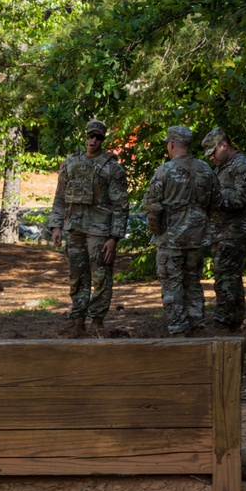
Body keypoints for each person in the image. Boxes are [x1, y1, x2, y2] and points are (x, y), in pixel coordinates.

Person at [49, 120, 129, 338]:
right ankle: (77, 320)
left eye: (98, 137)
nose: (93, 141)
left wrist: (115, 237)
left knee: (101, 276)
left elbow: (121, 205)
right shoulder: (71, 163)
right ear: (85, 137)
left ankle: (97, 322)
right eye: (90, 136)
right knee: (77, 275)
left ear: (103, 139)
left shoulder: (112, 168)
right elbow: (60, 196)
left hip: (100, 231)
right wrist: (56, 226)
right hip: (74, 228)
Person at [143, 126, 220, 337]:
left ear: (171, 144)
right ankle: (197, 325)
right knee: (193, 281)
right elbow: (216, 203)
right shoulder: (206, 169)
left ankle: (178, 329)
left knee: (172, 283)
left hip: (171, 239)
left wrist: (157, 231)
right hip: (197, 238)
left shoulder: (165, 171)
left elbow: (152, 205)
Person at [201, 127, 246, 333]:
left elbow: (242, 198)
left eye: (213, 152)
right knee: (227, 277)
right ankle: (232, 322)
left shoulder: (243, 166)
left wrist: (213, 199)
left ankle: (225, 323)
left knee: (226, 277)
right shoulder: (224, 166)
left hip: (236, 232)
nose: (211, 157)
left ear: (224, 145)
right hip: (223, 232)